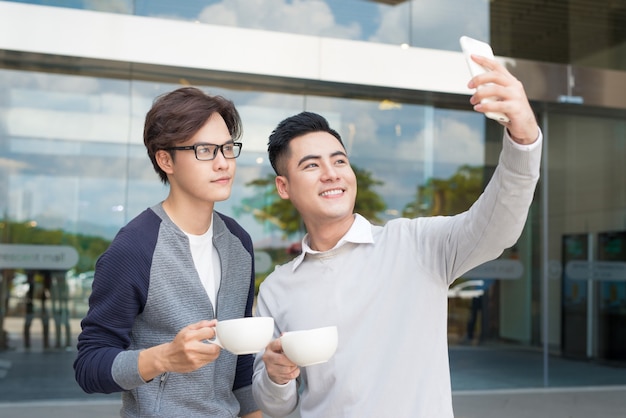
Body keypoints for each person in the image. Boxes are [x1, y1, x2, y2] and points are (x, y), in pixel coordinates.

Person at [252, 54, 542, 417]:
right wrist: (276, 378)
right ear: (284, 186)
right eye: (311, 165)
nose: (331, 173)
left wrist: (524, 137)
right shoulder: (278, 288)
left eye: (339, 160)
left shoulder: (416, 244)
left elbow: (497, 225)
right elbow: (274, 405)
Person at [74, 87, 261, 418]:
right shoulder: (135, 247)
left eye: (228, 148)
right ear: (165, 159)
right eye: (205, 150)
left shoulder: (239, 243)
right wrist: (162, 358)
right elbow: (89, 365)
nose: (223, 163)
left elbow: (241, 363)